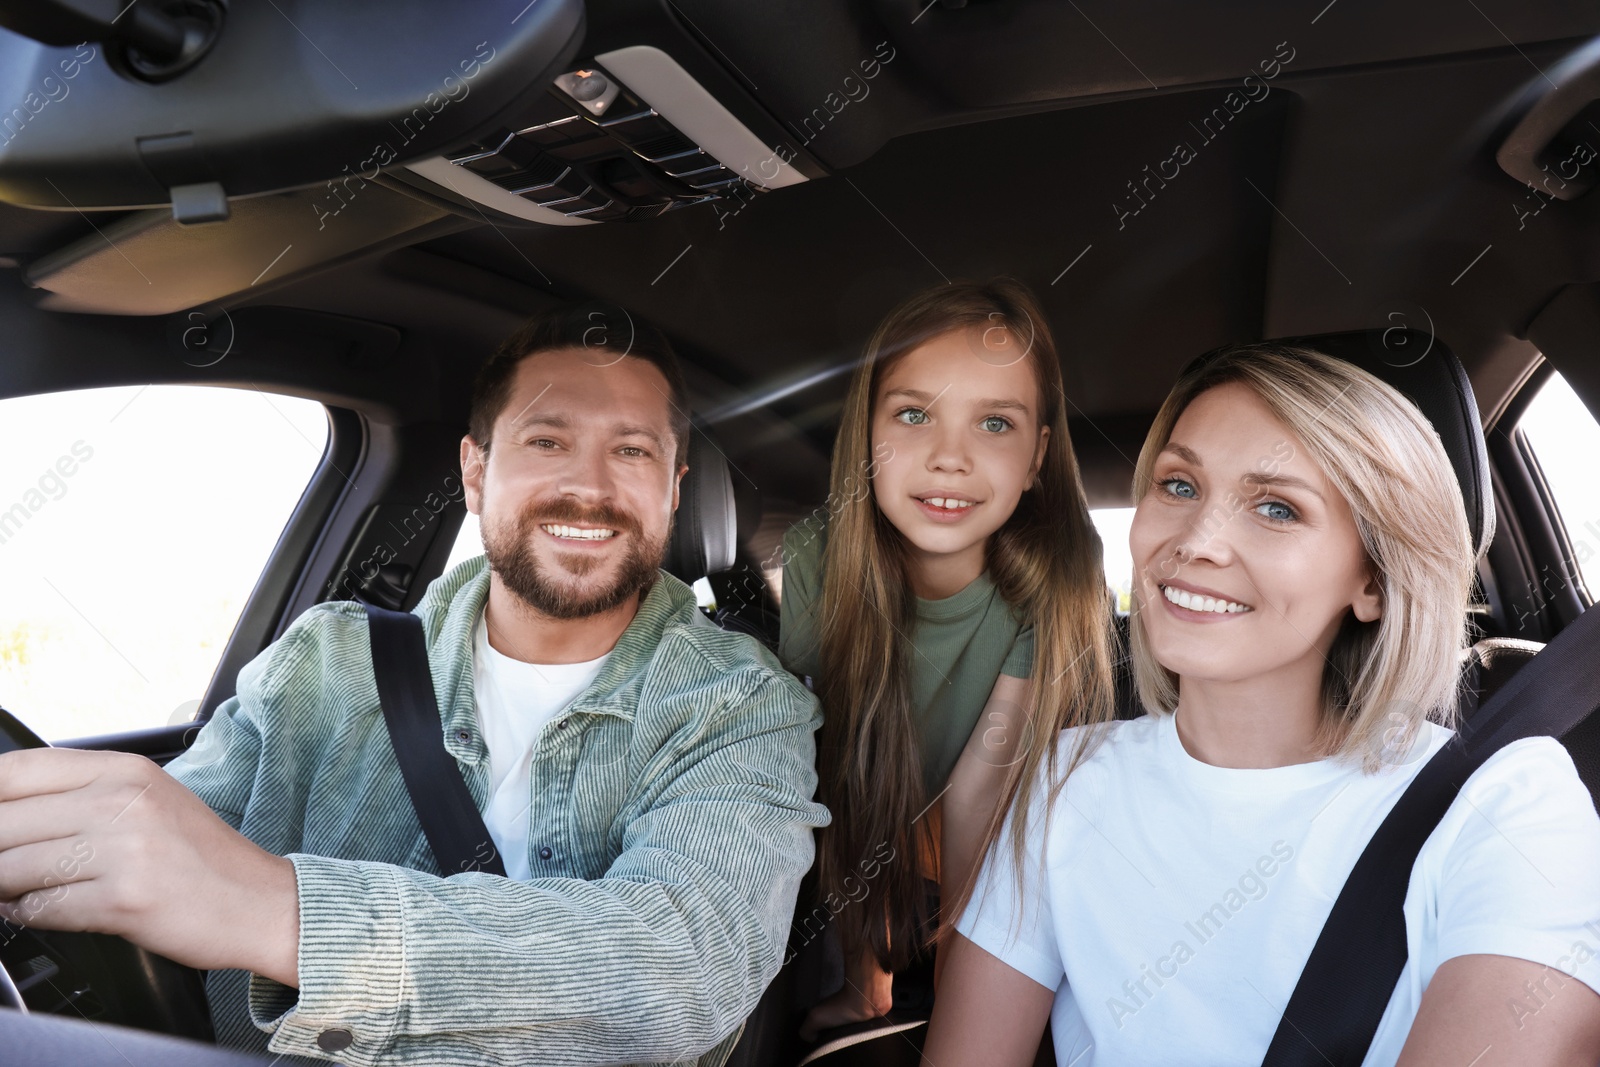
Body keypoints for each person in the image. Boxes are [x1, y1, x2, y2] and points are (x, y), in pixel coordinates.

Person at [0, 304, 831, 1067]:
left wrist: (277, 909)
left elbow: (676, 966)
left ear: (673, 488)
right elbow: (157, 859)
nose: (591, 486)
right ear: (475, 472)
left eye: (632, 449)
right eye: (547, 440)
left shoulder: (741, 707)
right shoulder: (325, 663)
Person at [924, 344, 1600, 1066]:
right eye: (1179, 486)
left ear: (1373, 581)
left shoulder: (1507, 802)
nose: (1197, 542)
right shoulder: (1065, 778)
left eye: (1277, 507)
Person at [776, 278, 1115, 1041]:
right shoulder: (819, 554)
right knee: (845, 779)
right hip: (860, 784)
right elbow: (827, 759)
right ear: (868, 434)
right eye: (913, 414)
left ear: (1036, 458)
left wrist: (962, 1019)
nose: (950, 457)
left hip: (987, 791)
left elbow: (977, 809)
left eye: (994, 422)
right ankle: (869, 987)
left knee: (986, 846)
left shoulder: (1050, 576)